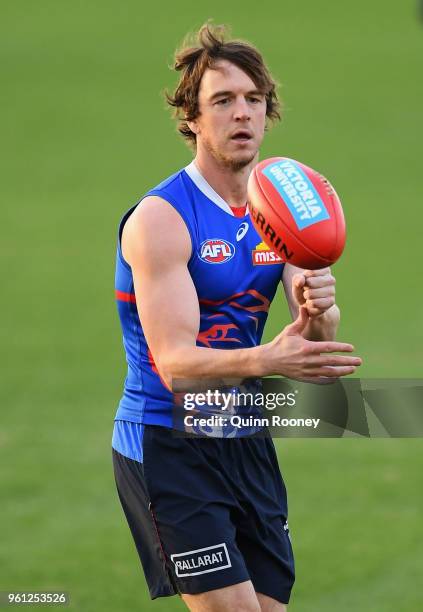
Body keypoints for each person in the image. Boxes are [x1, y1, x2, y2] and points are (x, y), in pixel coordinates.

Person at [112, 23, 361, 612]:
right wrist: (271, 359)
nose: (242, 113)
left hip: (243, 432)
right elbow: (175, 366)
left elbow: (320, 342)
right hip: (168, 440)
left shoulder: (283, 202)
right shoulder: (162, 218)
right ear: (192, 119)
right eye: (222, 101)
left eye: (253, 99)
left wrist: (317, 313)